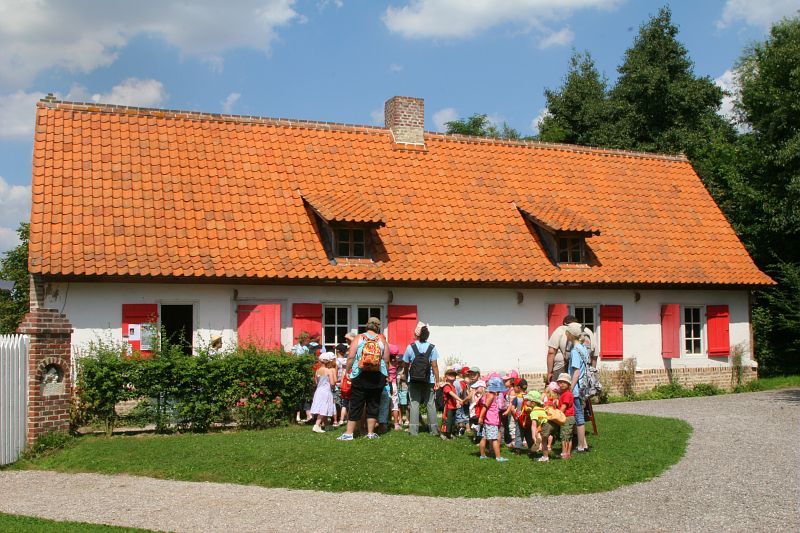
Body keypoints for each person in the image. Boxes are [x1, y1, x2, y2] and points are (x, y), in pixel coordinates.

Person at [337, 317, 390, 441]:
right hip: (377, 375)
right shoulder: (382, 339)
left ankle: (349, 433)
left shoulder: (359, 337)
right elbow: (386, 360)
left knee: (356, 403)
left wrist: (347, 371)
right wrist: (385, 374)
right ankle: (370, 433)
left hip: (360, 373)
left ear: (367, 326)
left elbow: (351, 357)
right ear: (378, 326)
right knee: (373, 403)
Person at [403, 322, 440, 436]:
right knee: (430, 403)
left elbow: (405, 364)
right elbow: (434, 366)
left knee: (414, 403)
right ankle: (433, 430)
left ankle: (413, 431)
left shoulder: (410, 347)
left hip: (413, 379)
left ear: (417, 334)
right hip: (428, 380)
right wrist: (437, 381)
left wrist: (405, 376)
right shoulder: (432, 348)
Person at [566, 322, 591, 452]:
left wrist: (570, 388)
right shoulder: (583, 348)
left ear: (569, 335)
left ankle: (581, 446)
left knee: (578, 416)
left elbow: (576, 372)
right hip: (583, 387)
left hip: (577, 388)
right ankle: (584, 444)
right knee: (579, 414)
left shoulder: (575, 351)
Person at [477, 377, 508, 462]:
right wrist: (480, 417)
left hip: (487, 420)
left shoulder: (487, 395)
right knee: (494, 439)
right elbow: (485, 407)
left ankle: (482, 455)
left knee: (484, 437)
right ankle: (498, 457)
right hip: (491, 421)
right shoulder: (491, 396)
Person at [545, 314, 579, 383]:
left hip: (562, 366)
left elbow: (551, 352)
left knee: (558, 390)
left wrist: (549, 372)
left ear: (564, 323)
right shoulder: (583, 330)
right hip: (580, 366)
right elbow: (594, 354)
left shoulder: (560, 330)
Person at [310, 352, 337, 433]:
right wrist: (332, 387)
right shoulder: (329, 371)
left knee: (322, 407)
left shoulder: (317, 371)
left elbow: (316, 382)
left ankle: (327, 425)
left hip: (318, 391)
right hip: (326, 391)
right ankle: (317, 425)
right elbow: (332, 383)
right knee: (324, 408)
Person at [556, 372, 577, 459]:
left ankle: (565, 453)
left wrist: (557, 415)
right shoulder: (563, 394)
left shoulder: (567, 394)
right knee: (567, 436)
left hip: (567, 417)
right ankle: (567, 452)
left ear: (568, 384)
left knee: (565, 436)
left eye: (564, 382)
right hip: (567, 417)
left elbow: (563, 407)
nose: (562, 384)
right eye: (560, 382)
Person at [441, 368, 463, 440]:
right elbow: (452, 394)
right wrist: (460, 400)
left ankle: (449, 433)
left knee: (452, 421)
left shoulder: (452, 386)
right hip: (448, 407)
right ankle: (443, 434)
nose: (452, 375)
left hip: (453, 406)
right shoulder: (447, 386)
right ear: (446, 376)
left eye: (453, 374)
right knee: (447, 420)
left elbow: (454, 395)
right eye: (449, 374)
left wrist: (457, 402)